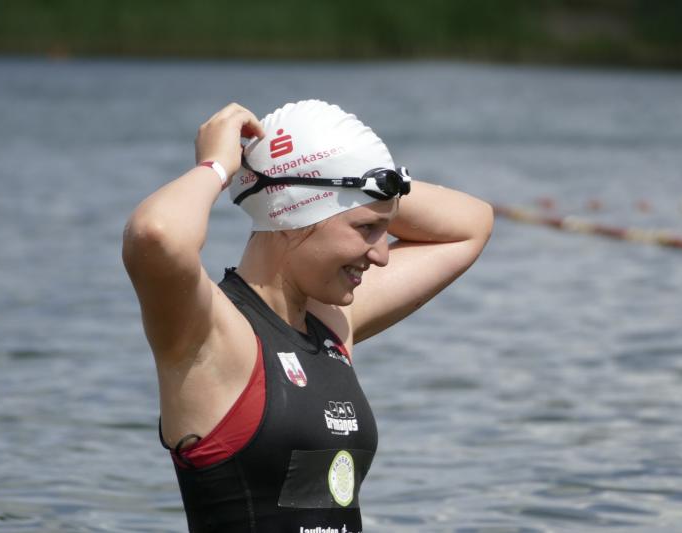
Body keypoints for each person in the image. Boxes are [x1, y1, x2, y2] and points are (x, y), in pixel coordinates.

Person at [122, 100, 493, 532]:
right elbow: (156, 235)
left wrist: (360, 184)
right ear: (296, 214)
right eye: (366, 229)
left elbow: (471, 224)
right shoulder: (210, 336)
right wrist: (218, 167)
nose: (382, 255)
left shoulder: (331, 325)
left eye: (385, 229)